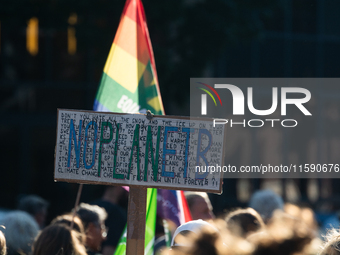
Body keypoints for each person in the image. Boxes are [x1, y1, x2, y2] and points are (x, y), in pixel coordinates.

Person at [91, 186, 127, 255]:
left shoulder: (88, 207)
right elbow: (109, 250)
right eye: (126, 188)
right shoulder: (117, 214)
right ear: (118, 187)